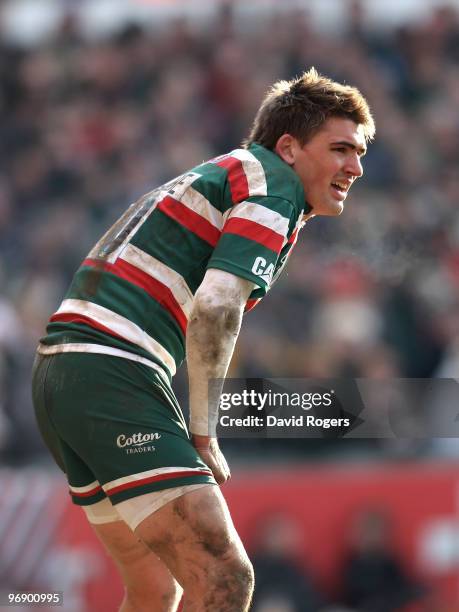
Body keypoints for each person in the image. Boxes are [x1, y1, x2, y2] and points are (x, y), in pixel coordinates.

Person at [32, 67, 374, 612]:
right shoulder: (274, 182)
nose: (355, 167)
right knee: (224, 578)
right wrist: (204, 430)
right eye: (340, 149)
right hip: (113, 370)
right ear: (288, 147)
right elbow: (216, 307)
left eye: (359, 152)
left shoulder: (227, 175)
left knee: (156, 589)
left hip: (61, 375)